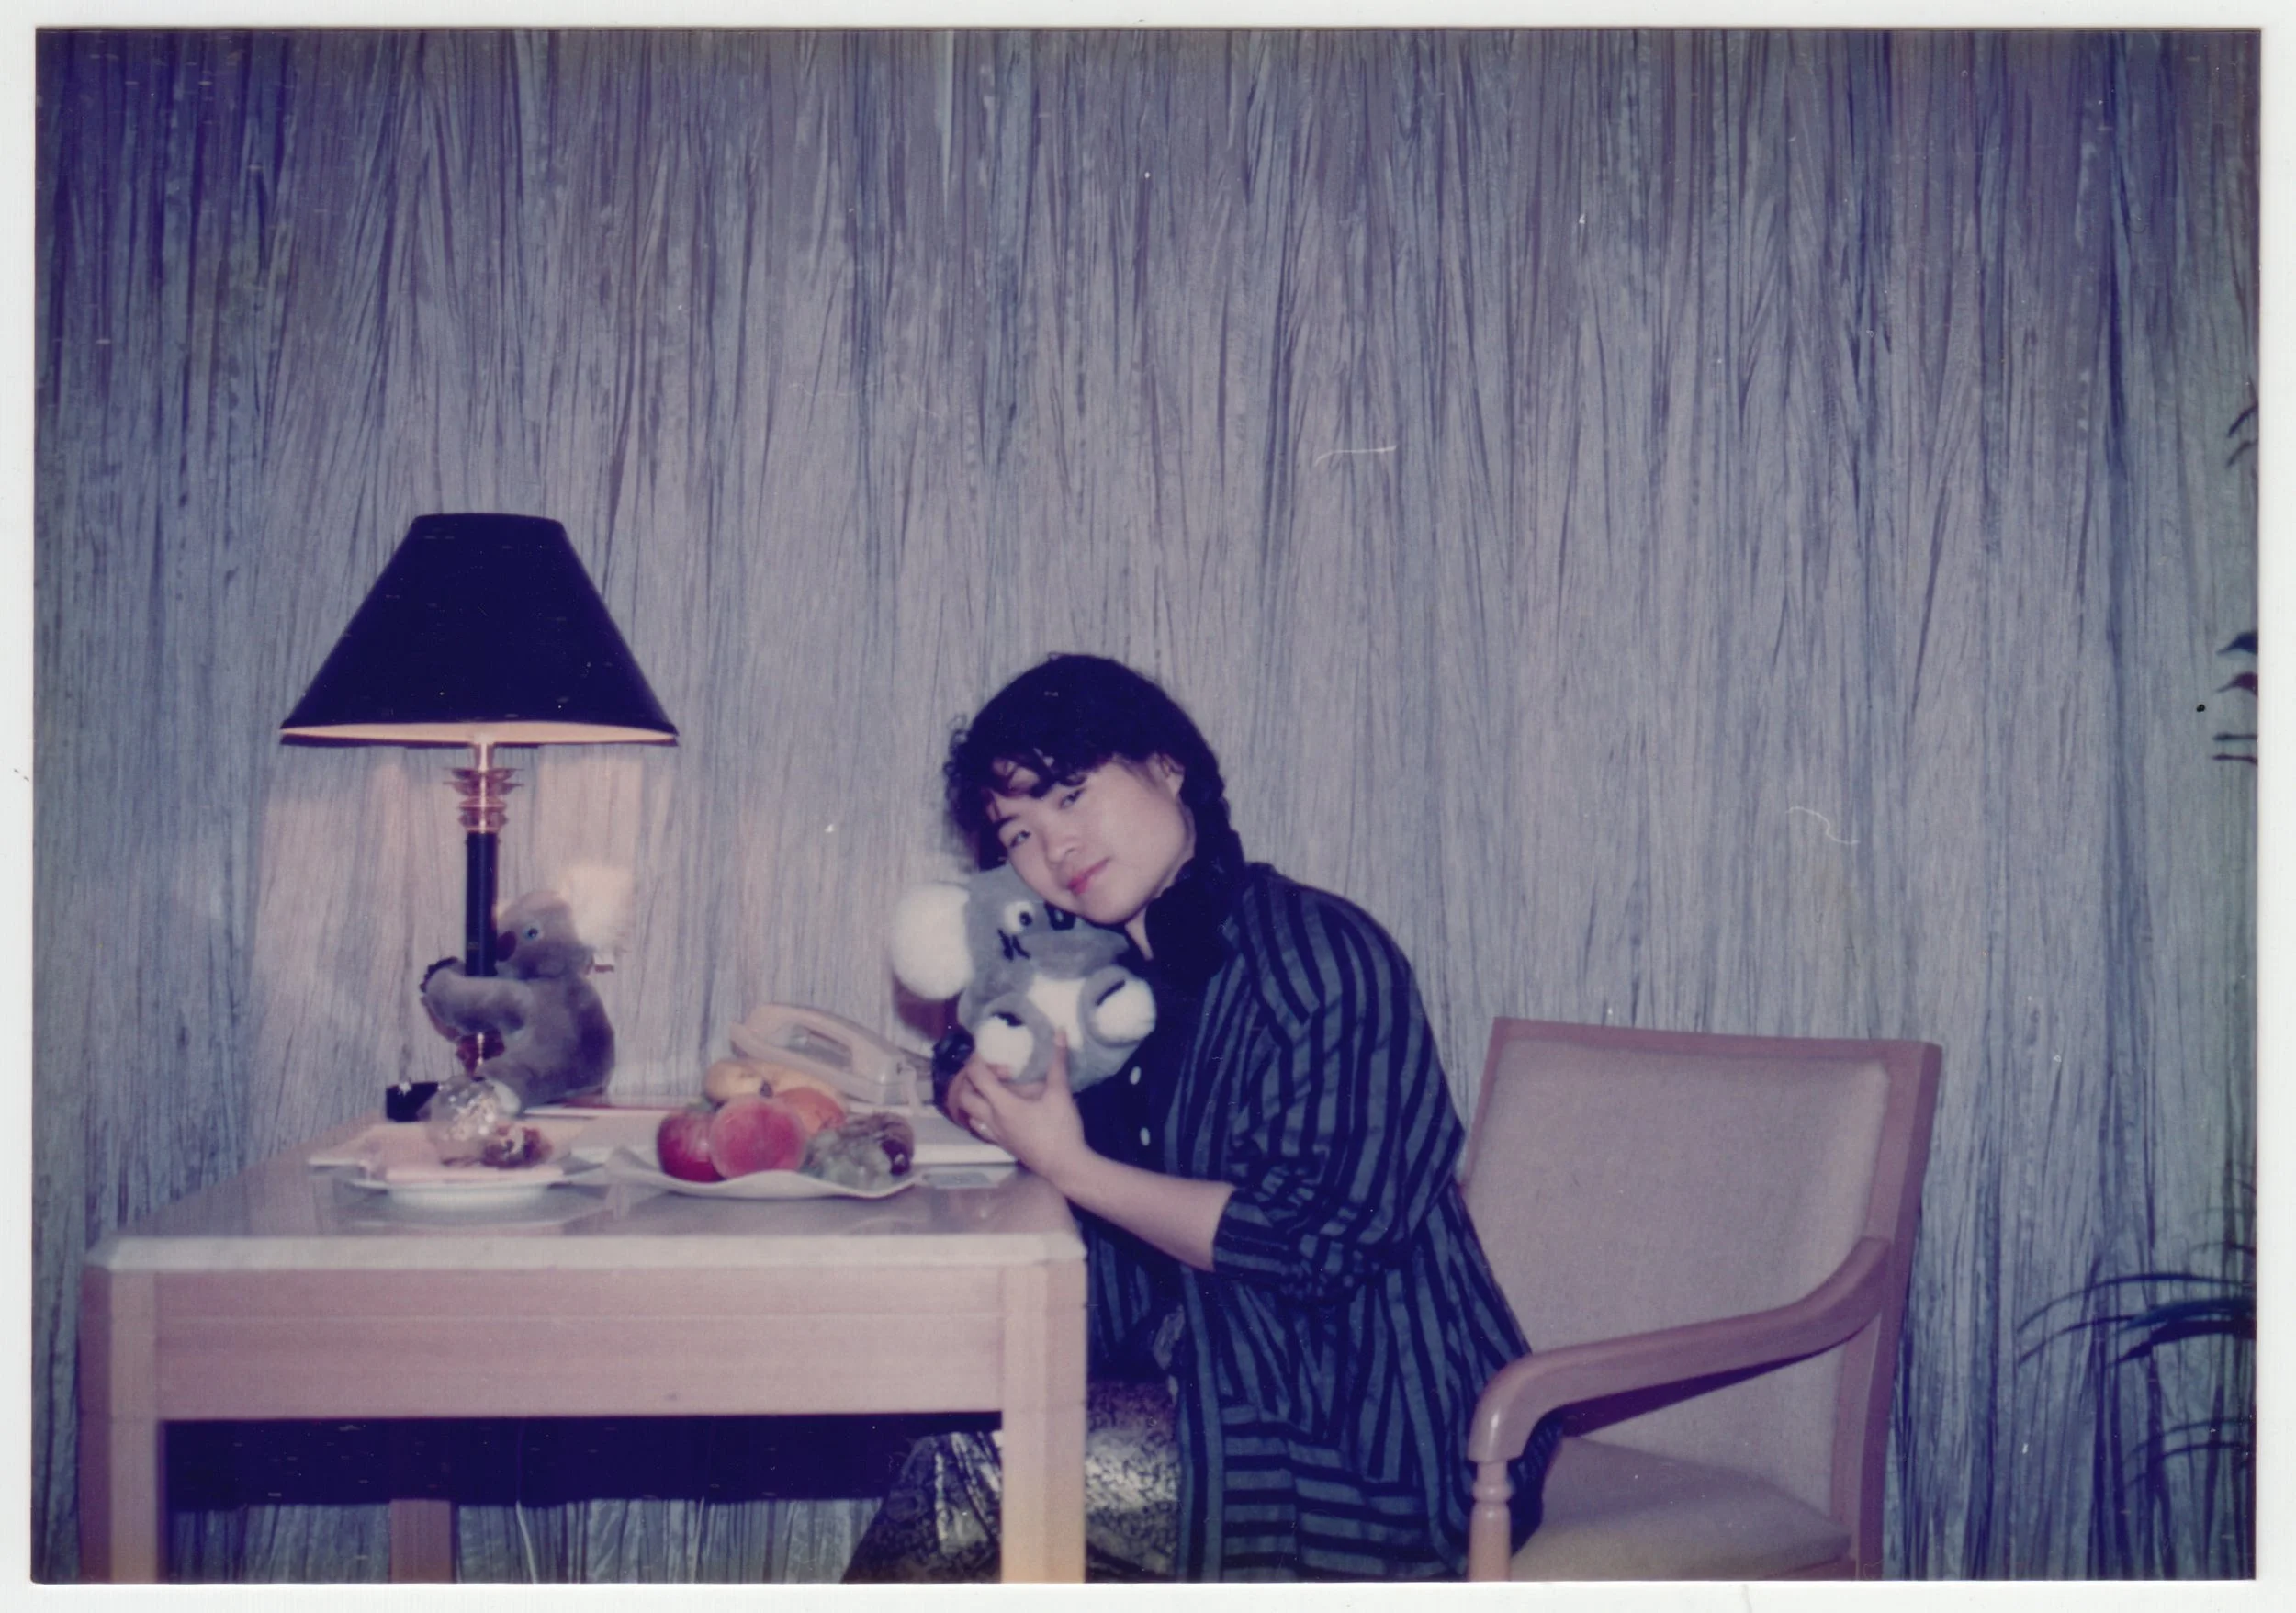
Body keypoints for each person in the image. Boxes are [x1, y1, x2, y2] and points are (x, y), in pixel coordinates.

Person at [845, 654, 1558, 1582]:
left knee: (964, 1459)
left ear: (1166, 765)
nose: (1052, 848)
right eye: (1017, 832)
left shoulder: (1320, 954)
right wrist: (977, 1075)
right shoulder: (1101, 979)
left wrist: (1069, 1163)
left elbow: (1305, 1242)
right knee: (928, 1392)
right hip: (1204, 1381)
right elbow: (965, 1044)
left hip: (1373, 1436)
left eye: (1070, 793)